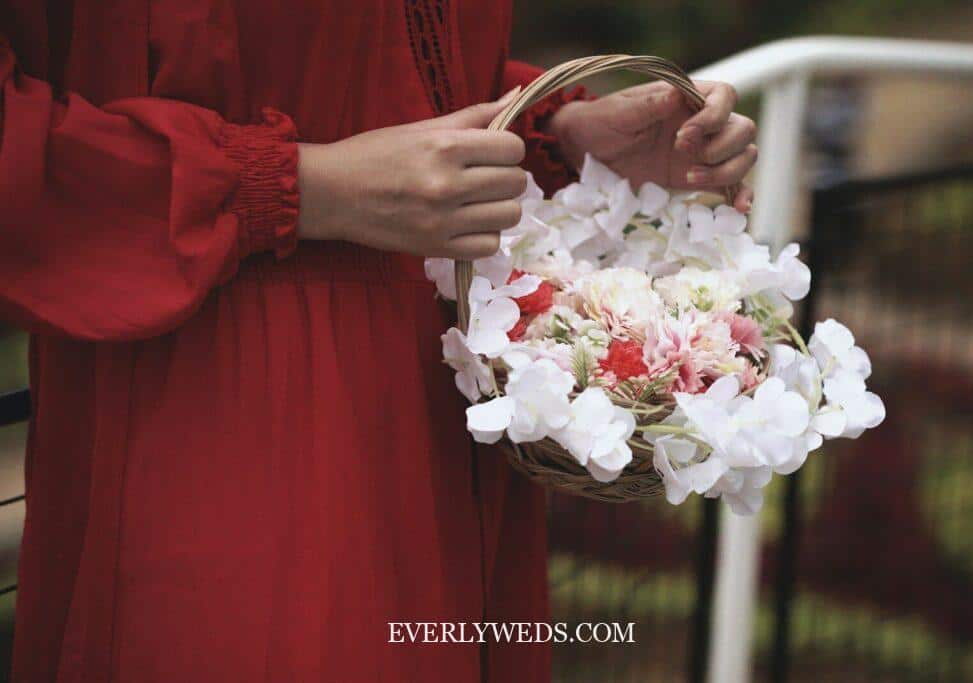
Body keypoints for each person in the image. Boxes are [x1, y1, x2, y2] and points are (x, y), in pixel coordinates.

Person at [0, 2, 757, 681]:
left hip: (443, 395)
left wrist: (556, 142)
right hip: (218, 407)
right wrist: (300, 184)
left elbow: (400, 69)